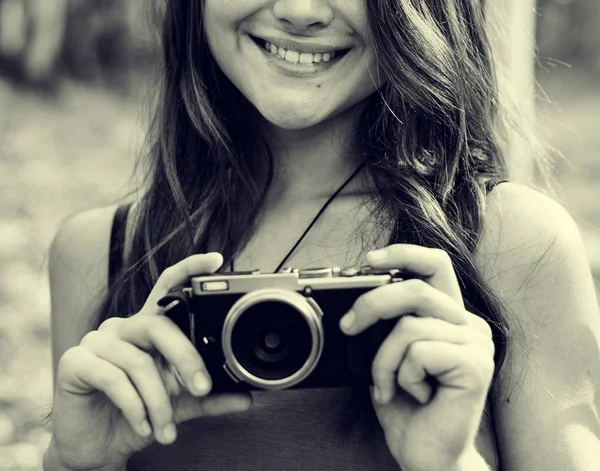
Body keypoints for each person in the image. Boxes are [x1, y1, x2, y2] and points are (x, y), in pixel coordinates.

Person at [44, 1, 600, 470]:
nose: (300, 12)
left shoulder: (509, 241)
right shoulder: (101, 251)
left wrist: (452, 464)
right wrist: (77, 463)